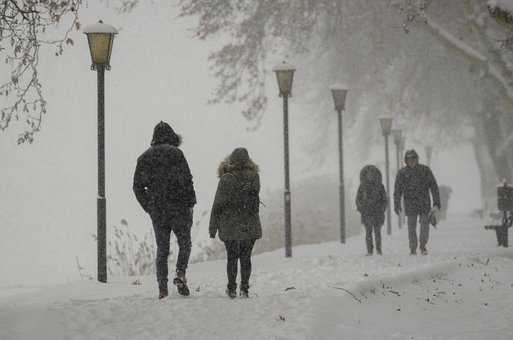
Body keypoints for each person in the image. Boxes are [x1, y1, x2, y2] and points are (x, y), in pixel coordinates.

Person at [133, 121, 196, 299]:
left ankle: (162, 287)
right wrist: (190, 203)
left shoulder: (144, 158)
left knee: (162, 248)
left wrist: (149, 206)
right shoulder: (176, 154)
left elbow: (137, 187)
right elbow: (187, 180)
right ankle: (180, 273)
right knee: (185, 243)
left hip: (158, 210)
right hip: (179, 207)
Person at [209, 148, 262, 298]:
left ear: (230, 160)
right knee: (246, 257)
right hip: (249, 223)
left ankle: (231, 288)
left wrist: (213, 226)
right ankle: (244, 288)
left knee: (232, 257)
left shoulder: (226, 178)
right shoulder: (254, 177)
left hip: (229, 224)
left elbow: (217, 204)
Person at [394, 149, 440, 255]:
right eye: (409, 159)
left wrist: (436, 202)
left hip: (424, 203)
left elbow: (433, 187)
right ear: (406, 160)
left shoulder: (425, 170)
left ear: (416, 159)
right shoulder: (402, 173)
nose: (411, 161)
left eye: (413, 159)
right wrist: (396, 204)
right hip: (410, 204)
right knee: (411, 227)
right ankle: (413, 247)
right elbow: (397, 190)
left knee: (424, 225)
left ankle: (423, 245)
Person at [356, 165, 387, 256]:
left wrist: (382, 209)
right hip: (367, 213)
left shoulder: (380, 186)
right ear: (366, 175)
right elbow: (358, 199)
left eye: (372, 174)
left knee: (377, 233)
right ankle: (370, 250)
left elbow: (384, 199)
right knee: (368, 233)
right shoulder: (362, 187)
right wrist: (361, 208)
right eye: (369, 174)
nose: (371, 176)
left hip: (377, 213)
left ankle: (378, 250)